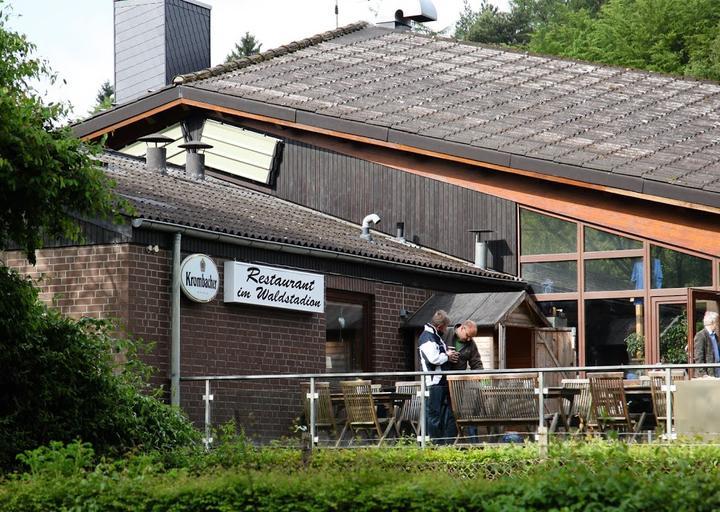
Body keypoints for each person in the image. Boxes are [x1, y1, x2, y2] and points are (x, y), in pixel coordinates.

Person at [418, 309, 459, 444]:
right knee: (434, 415)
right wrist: (447, 355)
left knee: (444, 414)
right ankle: (435, 444)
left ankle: (442, 444)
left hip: (440, 380)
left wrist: (447, 355)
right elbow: (433, 359)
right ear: (440, 326)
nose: (446, 330)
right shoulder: (427, 338)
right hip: (434, 382)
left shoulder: (434, 336)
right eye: (446, 327)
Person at [693, 311, 720, 377]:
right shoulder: (701, 335)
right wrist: (703, 374)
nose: (718, 324)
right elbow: (698, 357)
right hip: (708, 374)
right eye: (717, 322)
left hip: (717, 370)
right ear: (712, 322)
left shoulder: (715, 336)